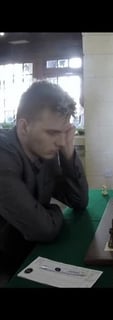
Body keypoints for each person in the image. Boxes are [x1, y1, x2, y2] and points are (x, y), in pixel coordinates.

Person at [0, 80, 89, 281]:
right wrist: (54, 211)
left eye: (64, 132)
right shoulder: (2, 155)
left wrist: (68, 153)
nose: (59, 141)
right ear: (24, 127)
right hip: (6, 267)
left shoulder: (44, 152)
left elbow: (79, 201)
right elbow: (43, 229)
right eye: (52, 133)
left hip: (31, 255)